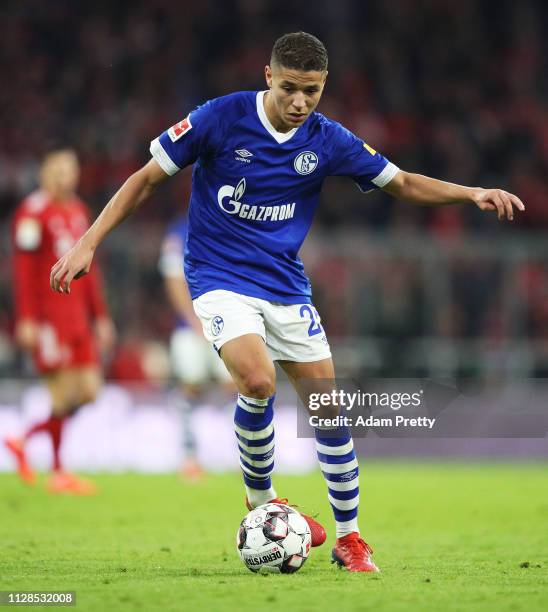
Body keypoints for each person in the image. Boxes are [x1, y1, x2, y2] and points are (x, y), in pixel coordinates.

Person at [49, 32, 524, 569]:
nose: (300, 103)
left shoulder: (327, 139)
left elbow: (403, 183)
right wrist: (89, 241)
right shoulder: (220, 118)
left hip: (285, 286)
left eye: (313, 92)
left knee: (327, 408)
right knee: (258, 380)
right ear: (269, 76)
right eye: (292, 89)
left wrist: (471, 193)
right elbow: (145, 179)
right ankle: (263, 504)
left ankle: (350, 538)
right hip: (217, 276)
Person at [6, 148, 115, 495]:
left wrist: (100, 316)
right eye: (60, 170)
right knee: (63, 393)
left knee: (89, 392)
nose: (66, 176)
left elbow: (91, 269)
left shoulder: (80, 211)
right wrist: (26, 318)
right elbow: (23, 271)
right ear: (46, 172)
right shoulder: (32, 213)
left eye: (72, 170)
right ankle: (57, 471)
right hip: (49, 319)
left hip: (78, 317)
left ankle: (23, 440)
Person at [159, 215, 235, 481]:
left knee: (238, 386)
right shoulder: (179, 232)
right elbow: (173, 279)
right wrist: (194, 321)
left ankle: (246, 457)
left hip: (229, 322)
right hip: (190, 327)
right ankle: (189, 457)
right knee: (191, 386)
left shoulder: (230, 223)